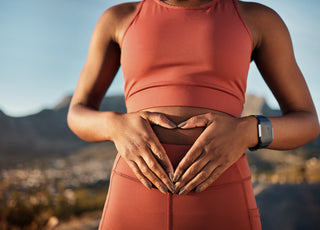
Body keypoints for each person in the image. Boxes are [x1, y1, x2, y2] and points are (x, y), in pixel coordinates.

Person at [67, 0, 320, 229]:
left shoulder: (258, 19)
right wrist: (114, 125)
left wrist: (248, 131)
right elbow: (77, 113)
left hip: (222, 200)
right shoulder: (118, 18)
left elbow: (307, 121)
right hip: (133, 199)